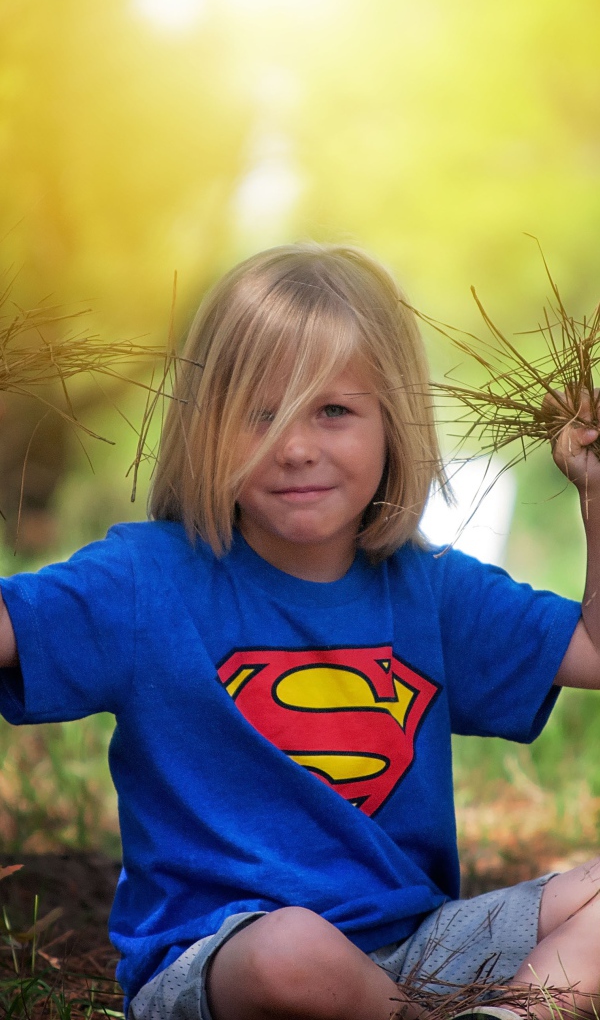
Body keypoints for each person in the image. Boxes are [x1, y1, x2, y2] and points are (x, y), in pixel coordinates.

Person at [0, 243, 599, 1020]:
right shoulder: (146, 580)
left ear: (393, 426)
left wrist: (596, 497)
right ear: (203, 428)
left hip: (416, 947)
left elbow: (591, 650)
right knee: (292, 952)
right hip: (223, 958)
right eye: (259, 414)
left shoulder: (430, 588)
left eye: (334, 410)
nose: (295, 446)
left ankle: (510, 1015)